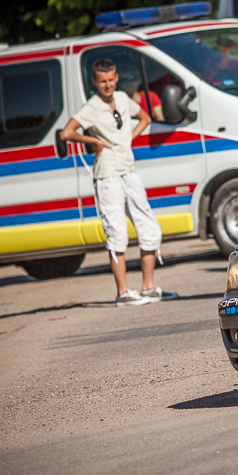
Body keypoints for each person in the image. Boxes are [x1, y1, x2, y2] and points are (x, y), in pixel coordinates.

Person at [60, 59, 166, 306]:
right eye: (102, 81)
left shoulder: (122, 98)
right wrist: (94, 142)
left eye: (110, 80)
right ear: (95, 82)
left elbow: (145, 118)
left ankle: (148, 287)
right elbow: (67, 132)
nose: (107, 85)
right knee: (116, 231)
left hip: (128, 169)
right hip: (107, 174)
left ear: (116, 78)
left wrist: (128, 139)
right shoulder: (93, 106)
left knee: (149, 227)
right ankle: (123, 292)